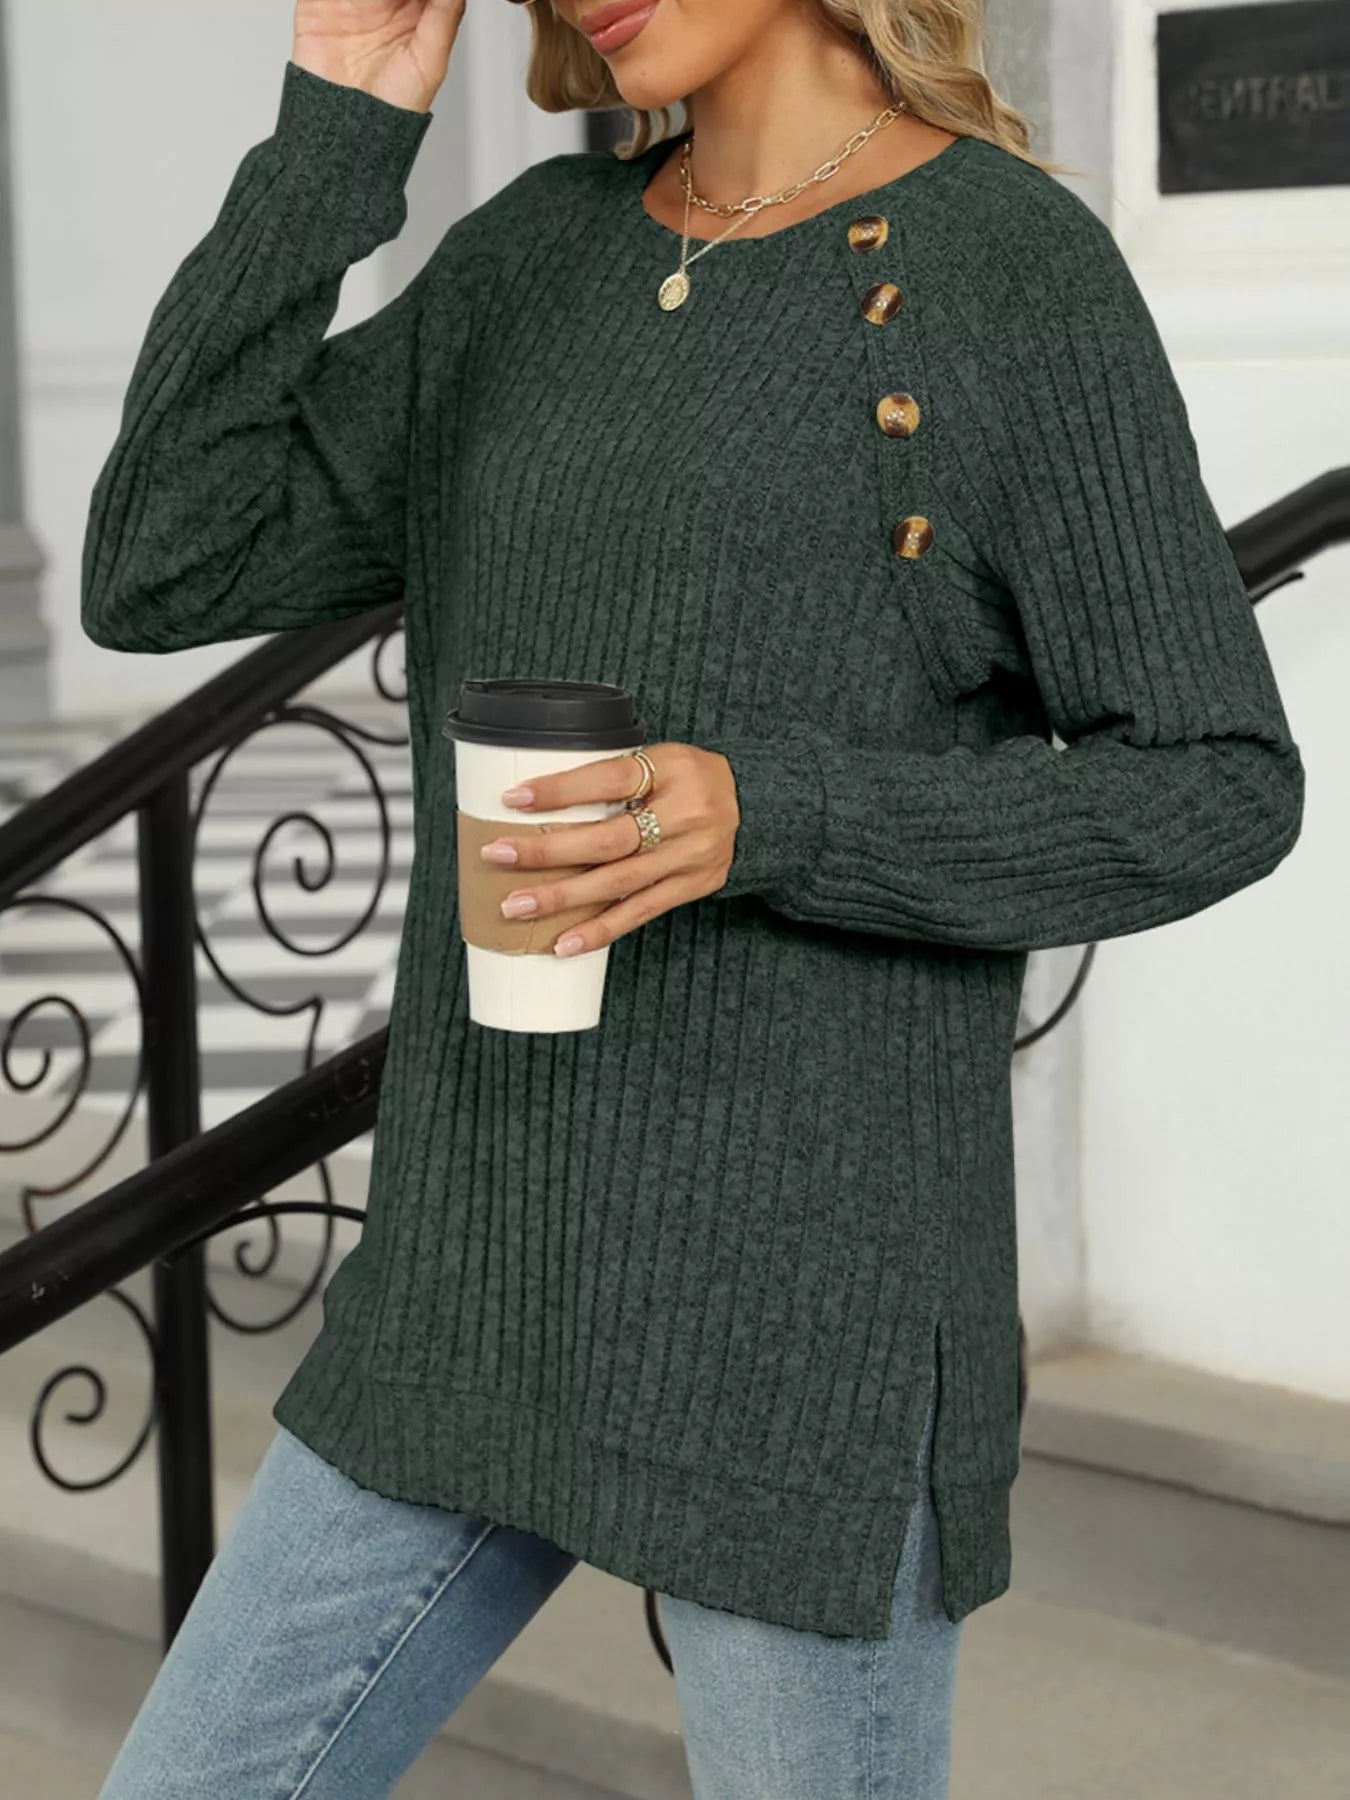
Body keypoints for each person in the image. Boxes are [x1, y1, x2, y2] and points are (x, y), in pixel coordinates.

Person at [85, 0, 1305, 1794]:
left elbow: (1215, 781)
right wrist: (336, 127)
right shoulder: (529, 257)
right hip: (470, 1269)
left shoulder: (1006, 270)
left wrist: (774, 814)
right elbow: (161, 560)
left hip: (804, 1314)